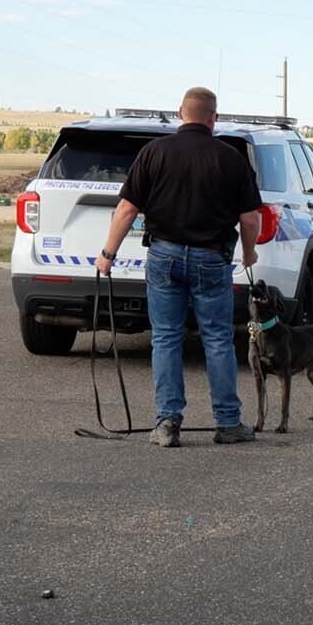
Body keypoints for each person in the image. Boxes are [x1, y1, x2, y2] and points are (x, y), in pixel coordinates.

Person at [97, 87, 262, 447]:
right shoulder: (231, 158)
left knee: (166, 338)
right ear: (213, 118)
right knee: (217, 339)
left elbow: (126, 209)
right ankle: (228, 422)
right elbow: (250, 219)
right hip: (212, 258)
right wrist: (249, 254)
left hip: (164, 255)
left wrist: (108, 254)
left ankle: (167, 422)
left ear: (180, 114)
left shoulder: (154, 152)